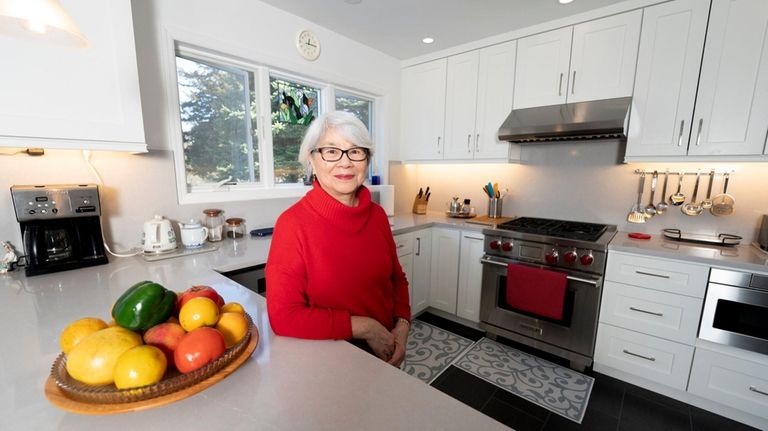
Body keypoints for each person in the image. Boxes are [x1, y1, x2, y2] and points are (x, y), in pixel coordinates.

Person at [266, 111, 411, 367]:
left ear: (367, 159)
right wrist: (365, 327)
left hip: (385, 351)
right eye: (331, 151)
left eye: (356, 151)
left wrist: (402, 325)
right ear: (311, 159)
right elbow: (283, 317)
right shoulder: (292, 224)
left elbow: (396, 280)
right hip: (331, 360)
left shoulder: (377, 215)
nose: (345, 162)